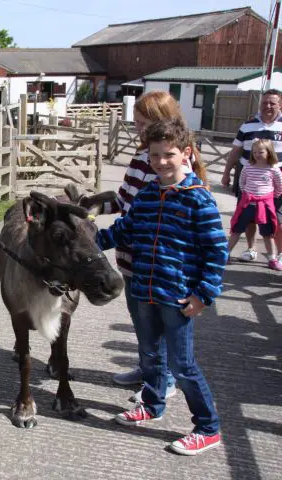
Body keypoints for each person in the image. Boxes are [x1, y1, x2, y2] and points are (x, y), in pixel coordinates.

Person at [96, 118, 228, 456]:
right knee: (151, 355)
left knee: (183, 367)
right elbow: (123, 230)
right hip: (143, 290)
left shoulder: (199, 200)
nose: (160, 162)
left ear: (185, 154)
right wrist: (86, 241)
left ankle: (208, 427)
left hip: (178, 298)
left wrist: (204, 294)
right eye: (154, 155)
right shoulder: (148, 194)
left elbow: (217, 251)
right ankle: (153, 405)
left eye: (168, 154)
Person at [84, 91, 206, 402]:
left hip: (155, 260)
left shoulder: (167, 162)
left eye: (142, 122)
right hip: (132, 255)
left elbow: (159, 216)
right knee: (141, 322)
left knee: (155, 324)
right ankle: (147, 369)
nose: (137, 128)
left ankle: (162, 381)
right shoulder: (143, 157)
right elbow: (125, 202)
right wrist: (89, 213)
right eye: (136, 122)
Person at [222, 89, 282, 264]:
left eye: (272, 103)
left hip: (276, 179)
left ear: (280, 105)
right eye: (265, 103)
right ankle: (251, 249)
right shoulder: (247, 125)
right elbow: (235, 152)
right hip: (248, 176)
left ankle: (277, 254)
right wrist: (226, 174)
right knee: (249, 217)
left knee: (277, 219)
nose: (268, 106)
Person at [227, 138, 282, 270]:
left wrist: (270, 198)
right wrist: (247, 194)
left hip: (265, 205)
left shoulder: (274, 170)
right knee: (236, 230)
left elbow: (279, 187)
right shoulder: (248, 167)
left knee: (267, 234)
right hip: (247, 204)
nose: (257, 154)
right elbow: (242, 183)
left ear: (269, 153)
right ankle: (225, 254)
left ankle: (272, 258)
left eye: (261, 152)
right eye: (255, 152)